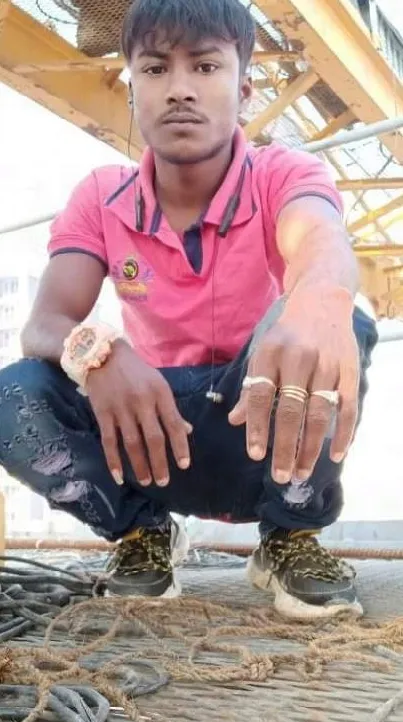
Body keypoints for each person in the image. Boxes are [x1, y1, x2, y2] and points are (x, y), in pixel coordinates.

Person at [0, 0, 377, 620]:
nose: (179, 90)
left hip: (258, 425)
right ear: (131, 89)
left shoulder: (284, 173)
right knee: (15, 392)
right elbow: (44, 324)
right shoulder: (101, 197)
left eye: (204, 67)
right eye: (154, 69)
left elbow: (320, 243)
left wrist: (321, 296)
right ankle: (142, 535)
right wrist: (97, 354)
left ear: (244, 88)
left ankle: (290, 534)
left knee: (341, 319)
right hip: (149, 437)